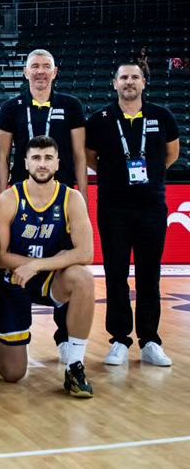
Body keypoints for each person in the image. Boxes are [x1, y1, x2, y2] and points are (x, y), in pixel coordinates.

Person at [0, 49, 88, 361]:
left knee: (67, 265)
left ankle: (67, 340)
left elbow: (79, 156)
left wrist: (83, 198)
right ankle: (8, 332)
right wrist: (2, 196)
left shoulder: (70, 105)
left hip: (60, 198)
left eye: (45, 66)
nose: (40, 71)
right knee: (11, 262)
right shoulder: (12, 107)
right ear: (25, 72)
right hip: (23, 198)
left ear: (55, 72)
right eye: (34, 66)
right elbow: (2, 158)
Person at [86, 63, 180, 367]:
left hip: (151, 207)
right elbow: (90, 158)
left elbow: (172, 153)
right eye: (124, 77)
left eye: (135, 77)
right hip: (113, 208)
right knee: (116, 274)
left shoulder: (162, 116)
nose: (129, 82)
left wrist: (151, 176)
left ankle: (150, 340)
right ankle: (119, 340)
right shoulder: (100, 119)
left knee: (149, 275)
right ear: (114, 83)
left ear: (144, 82)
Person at [0, 136, 95, 398]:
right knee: (13, 374)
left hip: (50, 277)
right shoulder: (9, 198)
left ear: (58, 163)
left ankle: (75, 366)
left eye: (48, 158)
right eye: (36, 158)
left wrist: (38, 265)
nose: (42, 164)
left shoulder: (72, 198)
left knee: (83, 277)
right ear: (26, 163)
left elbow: (86, 253)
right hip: (13, 280)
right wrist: (41, 263)